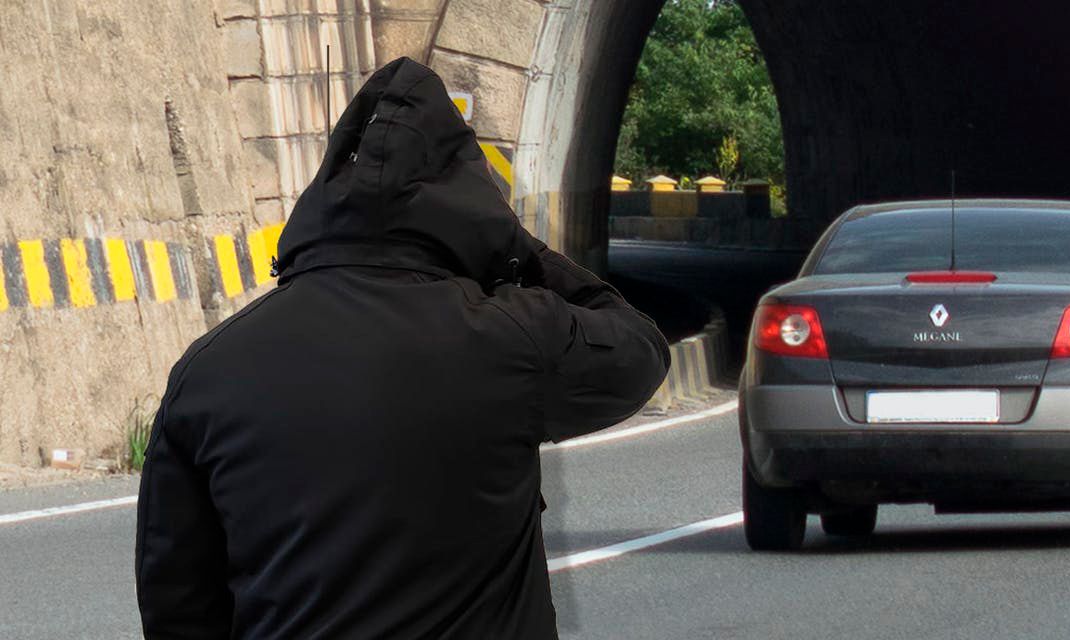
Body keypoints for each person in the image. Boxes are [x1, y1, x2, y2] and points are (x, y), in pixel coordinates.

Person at [134, 57, 670, 639]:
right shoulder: (509, 340)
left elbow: (177, 602)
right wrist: (519, 251)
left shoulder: (208, 370)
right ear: (470, 205)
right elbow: (639, 349)